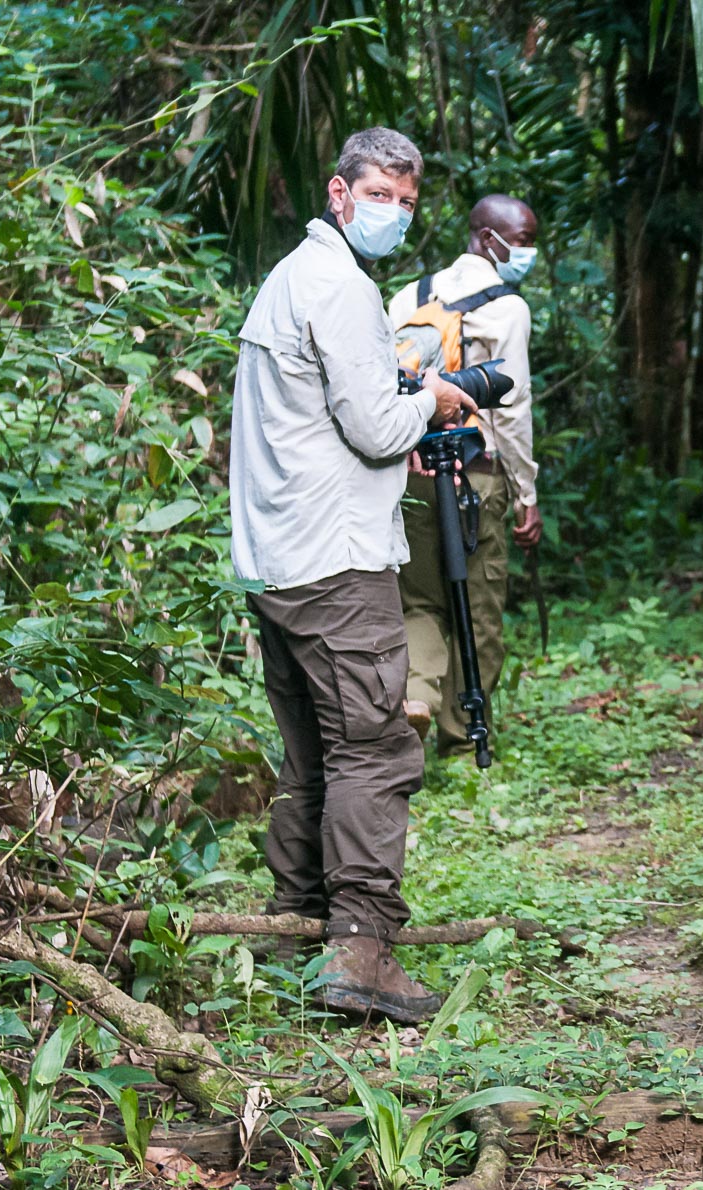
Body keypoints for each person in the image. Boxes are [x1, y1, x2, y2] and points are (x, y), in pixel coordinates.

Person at [229, 127, 477, 1024]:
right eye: (381, 195)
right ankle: (363, 949)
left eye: (408, 202)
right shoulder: (337, 285)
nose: (394, 213)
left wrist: (395, 424)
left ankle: (300, 926)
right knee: (374, 748)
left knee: (314, 754)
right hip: (334, 565)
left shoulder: (294, 277)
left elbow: (328, 424)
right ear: (341, 193)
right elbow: (376, 426)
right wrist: (433, 401)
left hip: (279, 559)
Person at [386, 195, 544, 754]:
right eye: (519, 240)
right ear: (485, 238)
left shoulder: (408, 296)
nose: (524, 252)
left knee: (420, 603)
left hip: (409, 471)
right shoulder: (509, 309)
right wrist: (526, 494)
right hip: (476, 474)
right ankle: (460, 736)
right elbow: (515, 408)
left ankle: (418, 699)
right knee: (478, 608)